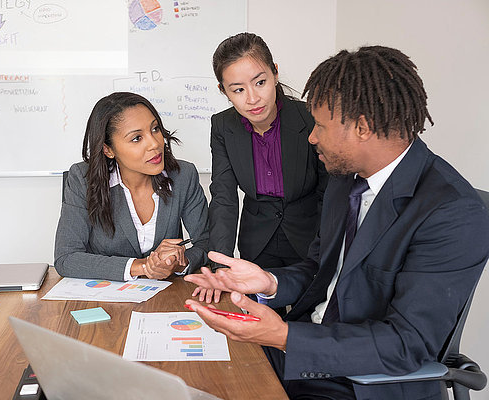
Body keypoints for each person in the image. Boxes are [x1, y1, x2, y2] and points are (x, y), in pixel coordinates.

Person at [185, 46, 489, 400]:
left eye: (321, 127)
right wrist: (269, 281)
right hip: (304, 353)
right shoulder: (346, 181)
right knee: (190, 378)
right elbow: (319, 268)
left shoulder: (453, 213)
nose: (312, 137)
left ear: (361, 127)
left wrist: (282, 336)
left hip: (355, 382)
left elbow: (408, 344)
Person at [203, 32, 327, 303]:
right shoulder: (223, 126)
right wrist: (220, 265)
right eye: (238, 89)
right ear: (224, 91)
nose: (252, 98)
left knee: (305, 322)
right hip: (257, 242)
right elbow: (224, 197)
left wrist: (326, 248)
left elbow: (328, 193)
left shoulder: (310, 117)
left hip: (310, 240)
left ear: (275, 74)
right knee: (257, 325)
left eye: (260, 82)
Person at [55, 92, 209, 282]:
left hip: (164, 300)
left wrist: (179, 263)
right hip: (103, 297)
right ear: (108, 149)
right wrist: (144, 266)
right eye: (136, 138)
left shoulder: (183, 175)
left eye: (155, 129)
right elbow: (66, 258)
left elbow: (207, 241)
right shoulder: (82, 179)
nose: (155, 143)